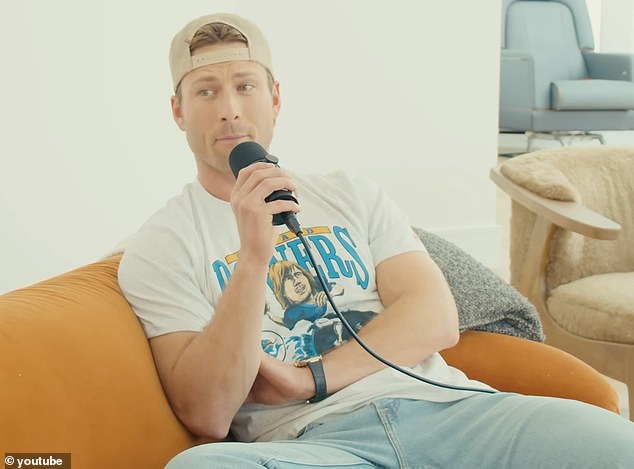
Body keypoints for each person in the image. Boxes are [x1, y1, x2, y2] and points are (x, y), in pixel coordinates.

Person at [117, 12, 634, 468]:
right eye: (206, 91)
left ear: (275, 98)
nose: (230, 108)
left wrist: (311, 378)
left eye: (245, 86)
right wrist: (253, 258)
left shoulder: (351, 193)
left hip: (452, 411)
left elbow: (435, 317)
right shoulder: (159, 247)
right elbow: (207, 413)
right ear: (178, 111)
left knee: (616, 444)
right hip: (316, 445)